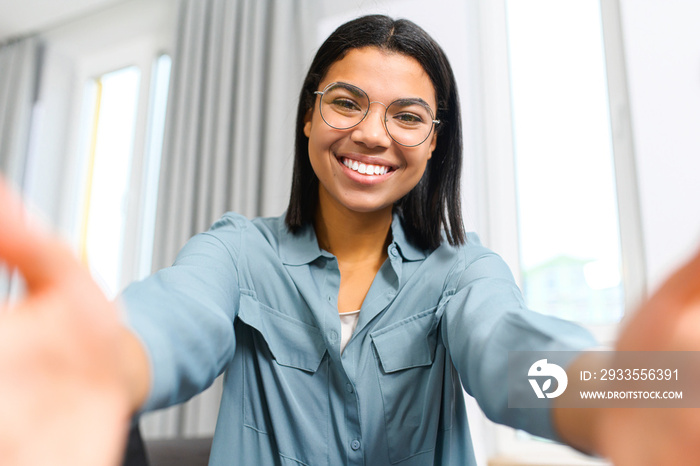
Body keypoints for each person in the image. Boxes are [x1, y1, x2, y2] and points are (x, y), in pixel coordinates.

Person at [0, 14, 699, 466]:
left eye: (407, 115)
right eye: (346, 102)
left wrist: (636, 387)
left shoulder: (463, 271)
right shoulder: (237, 253)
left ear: (433, 144)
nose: (371, 133)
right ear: (308, 117)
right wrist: (102, 361)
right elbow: (174, 318)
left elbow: (509, 351)